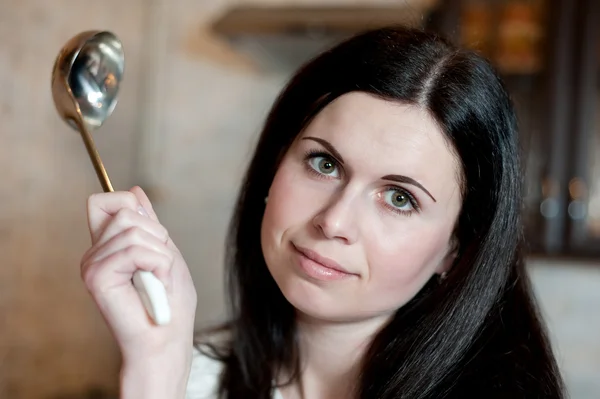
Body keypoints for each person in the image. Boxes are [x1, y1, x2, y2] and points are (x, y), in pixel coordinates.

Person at [80, 26, 566, 398]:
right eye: (325, 163)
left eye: (399, 198)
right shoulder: (189, 372)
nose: (333, 222)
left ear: (455, 251)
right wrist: (156, 370)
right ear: (275, 163)